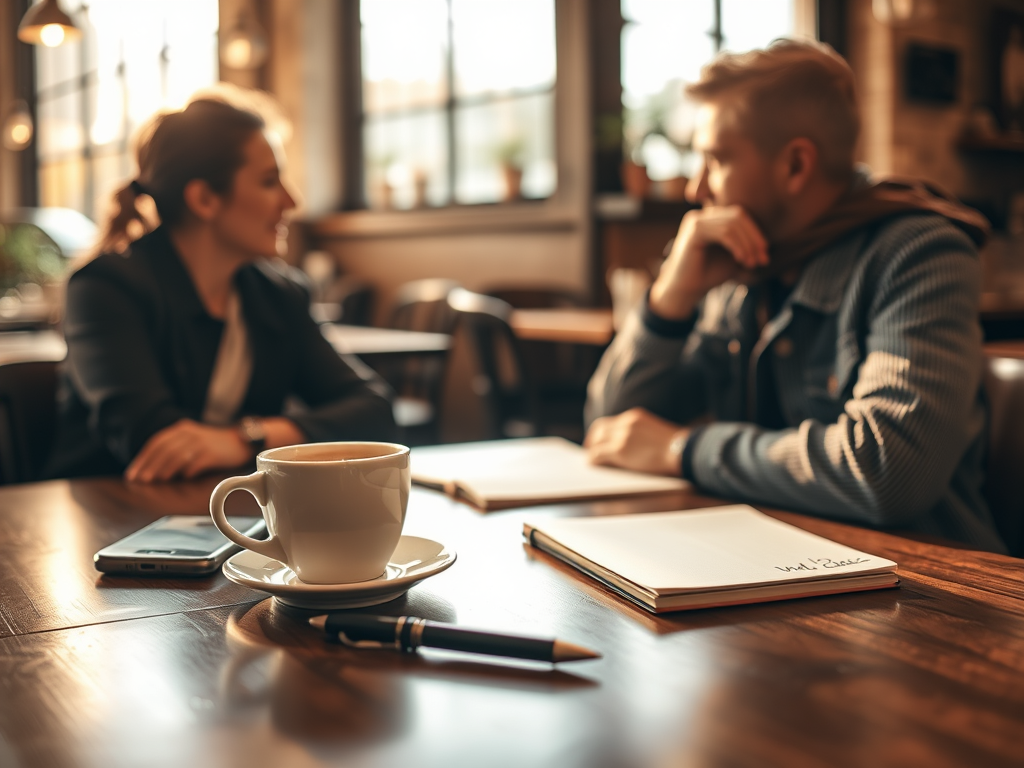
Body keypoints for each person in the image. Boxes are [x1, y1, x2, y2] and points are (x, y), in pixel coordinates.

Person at [584, 39, 1006, 553]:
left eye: (715, 160)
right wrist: (671, 297)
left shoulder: (919, 253)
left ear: (795, 167)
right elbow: (610, 428)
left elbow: (889, 470)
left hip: (927, 592)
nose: (696, 190)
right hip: (768, 567)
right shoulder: (743, 266)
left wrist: (682, 449)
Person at [46, 93, 396, 482]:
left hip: (230, 512)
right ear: (204, 199)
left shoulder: (280, 294)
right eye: (268, 181)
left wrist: (246, 438)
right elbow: (153, 442)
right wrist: (278, 440)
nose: (291, 201)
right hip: (107, 514)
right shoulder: (105, 289)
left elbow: (374, 409)